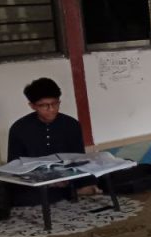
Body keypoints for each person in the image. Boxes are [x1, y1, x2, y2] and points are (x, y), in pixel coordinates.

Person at [6, 77, 90, 205]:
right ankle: (68, 193)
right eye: (44, 105)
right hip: (35, 181)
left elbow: (79, 158)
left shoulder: (71, 124)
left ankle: (70, 191)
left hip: (67, 177)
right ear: (32, 106)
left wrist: (66, 178)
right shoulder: (19, 128)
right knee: (14, 192)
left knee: (101, 178)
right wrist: (46, 180)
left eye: (55, 103)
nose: (51, 109)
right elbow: (14, 165)